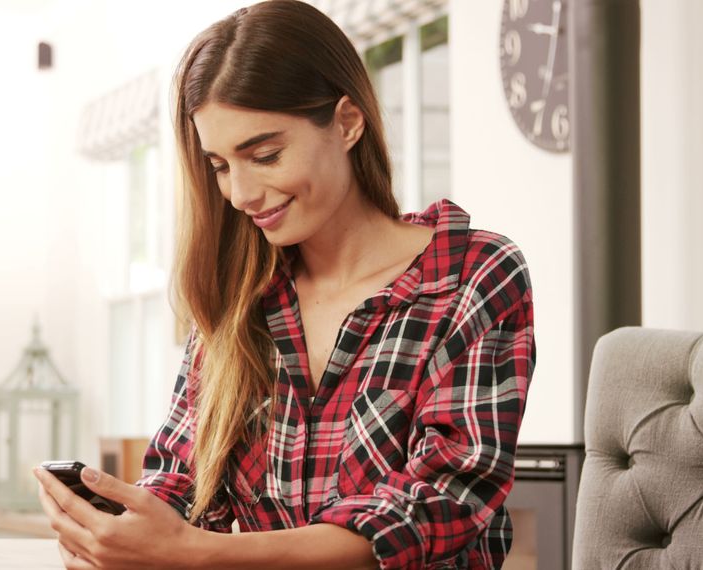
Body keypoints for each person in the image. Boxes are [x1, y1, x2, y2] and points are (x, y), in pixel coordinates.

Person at [33, 1, 535, 568]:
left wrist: (198, 554)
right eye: (220, 165)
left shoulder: (470, 274)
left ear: (347, 122)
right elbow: (182, 483)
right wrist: (121, 534)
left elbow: (441, 503)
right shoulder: (241, 294)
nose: (241, 193)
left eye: (265, 155)